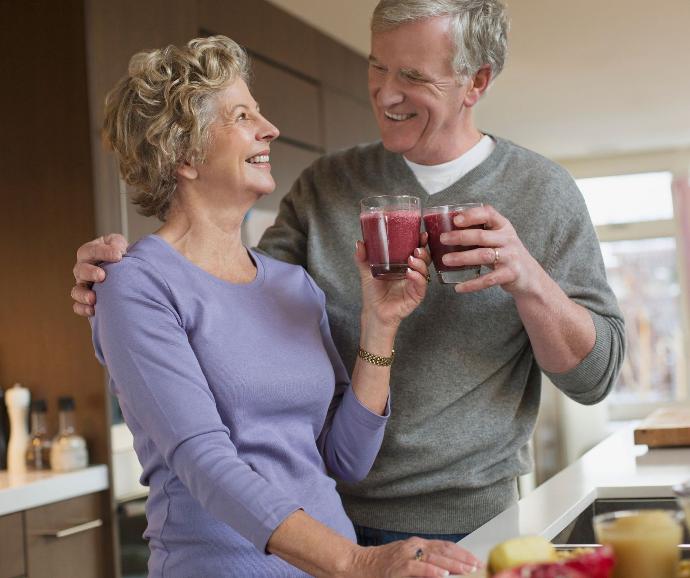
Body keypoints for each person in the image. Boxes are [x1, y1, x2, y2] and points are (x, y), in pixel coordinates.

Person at [72, 0, 625, 549]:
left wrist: (529, 280)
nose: (385, 93)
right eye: (377, 66)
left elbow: (594, 380)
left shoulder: (543, 193)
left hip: (465, 522)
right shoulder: (325, 186)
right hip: (314, 514)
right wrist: (119, 278)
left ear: (475, 81)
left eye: (411, 76)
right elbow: (235, 301)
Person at [88, 34, 481, 578]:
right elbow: (204, 461)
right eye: (241, 115)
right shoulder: (135, 286)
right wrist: (356, 560)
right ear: (183, 151)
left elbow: (344, 460)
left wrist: (380, 325)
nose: (269, 128)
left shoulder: (293, 285)